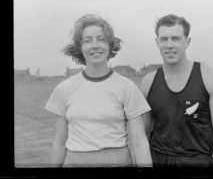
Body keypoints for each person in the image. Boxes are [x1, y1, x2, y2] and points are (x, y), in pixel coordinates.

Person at [45, 14, 152, 167]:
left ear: (110, 45)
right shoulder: (65, 89)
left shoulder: (127, 87)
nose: (95, 45)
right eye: (87, 40)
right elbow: (60, 143)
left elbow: (140, 143)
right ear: (80, 48)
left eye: (101, 39)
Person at [141, 14, 213, 167]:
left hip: (198, 162)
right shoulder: (148, 82)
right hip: (158, 161)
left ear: (187, 42)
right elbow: (142, 135)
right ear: (157, 42)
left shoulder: (210, 78)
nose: (169, 45)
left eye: (176, 38)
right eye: (164, 39)